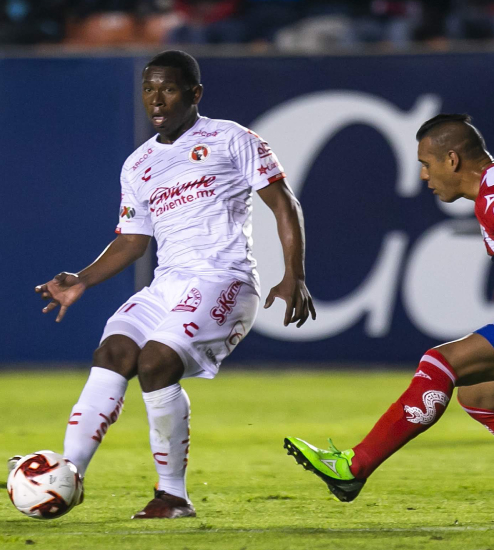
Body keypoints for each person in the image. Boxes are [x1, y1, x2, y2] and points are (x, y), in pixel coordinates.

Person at [22, 50, 316, 520]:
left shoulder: (230, 138)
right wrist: (82, 278)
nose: (156, 99)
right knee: (114, 354)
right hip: (168, 286)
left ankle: (173, 495)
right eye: (148, 89)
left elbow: (284, 205)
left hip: (225, 280)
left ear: (195, 94)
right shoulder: (138, 164)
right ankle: (67, 477)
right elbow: (133, 241)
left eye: (169, 89)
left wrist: (294, 274)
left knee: (156, 362)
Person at [285, 114, 494, 522]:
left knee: (439, 363)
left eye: (426, 163)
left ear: (452, 160)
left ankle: (353, 468)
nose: (424, 175)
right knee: (481, 398)